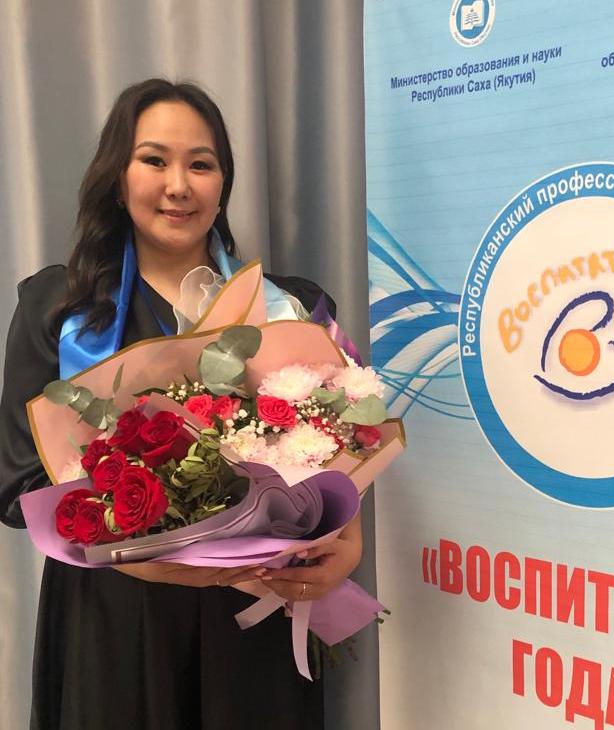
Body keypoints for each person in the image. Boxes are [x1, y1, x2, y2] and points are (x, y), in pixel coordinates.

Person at [0, 78, 362, 729]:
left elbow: (346, 449)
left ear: (223, 183)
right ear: (118, 177)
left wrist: (349, 543)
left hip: (253, 615)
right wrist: (140, 555)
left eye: (201, 164)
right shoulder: (58, 308)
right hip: (116, 622)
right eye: (154, 160)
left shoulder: (292, 308)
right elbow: (18, 484)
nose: (179, 185)